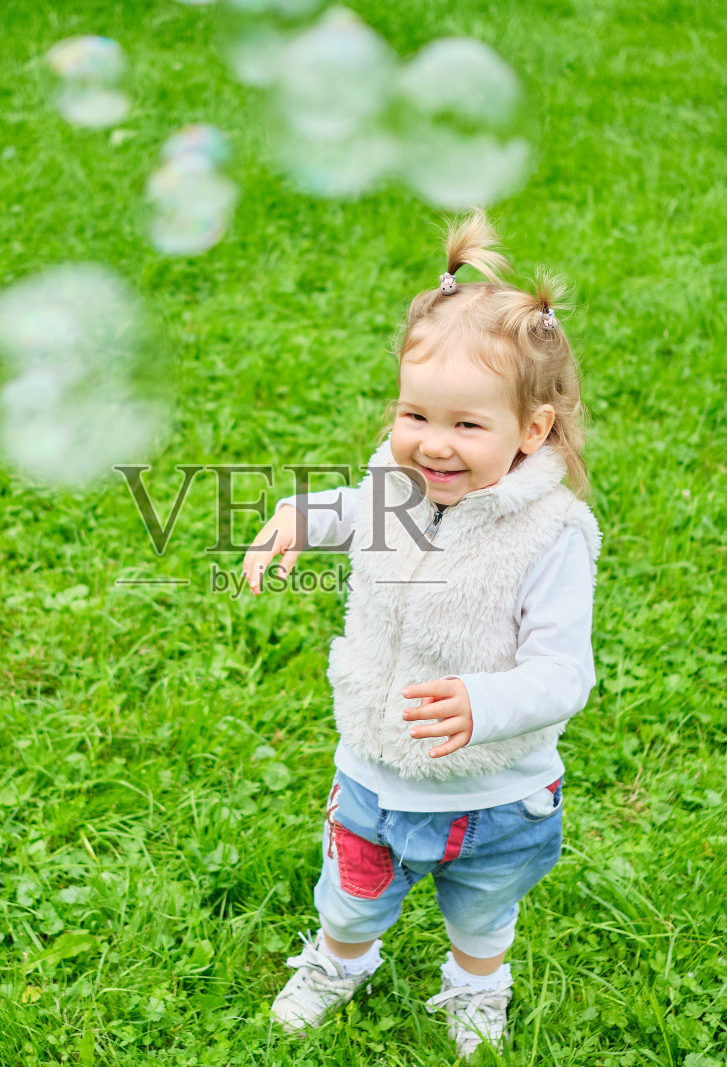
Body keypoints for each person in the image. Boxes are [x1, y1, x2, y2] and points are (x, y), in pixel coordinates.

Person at [241, 209, 600, 1059]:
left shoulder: (550, 536)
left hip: (494, 788)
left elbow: (564, 672)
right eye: (415, 415)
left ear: (532, 430)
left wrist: (487, 701)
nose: (432, 445)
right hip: (375, 761)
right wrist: (301, 515)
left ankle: (478, 984)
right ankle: (339, 963)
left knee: (483, 908)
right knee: (352, 891)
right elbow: (354, 510)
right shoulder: (398, 483)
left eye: (468, 426)